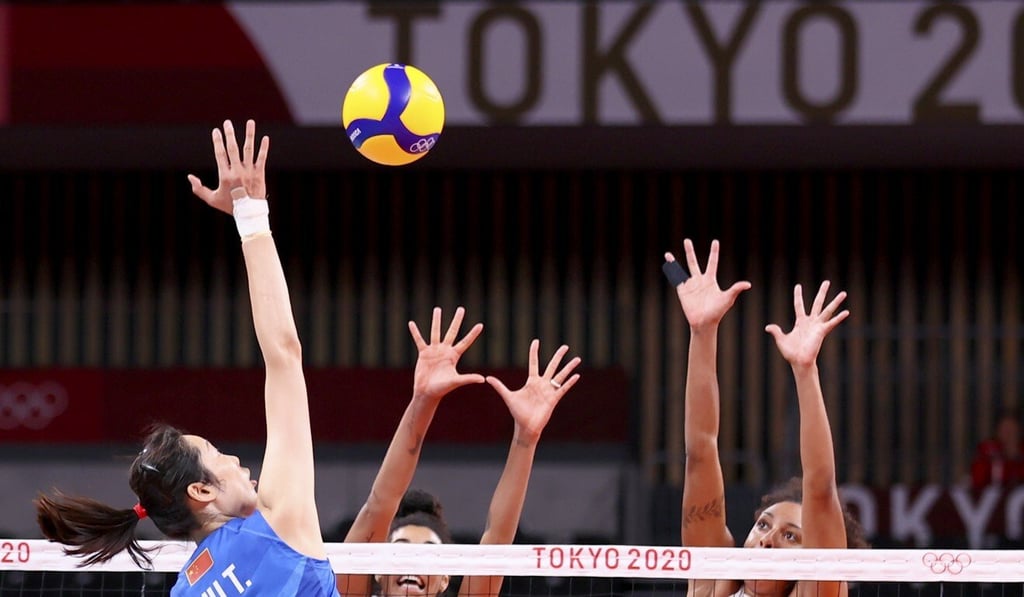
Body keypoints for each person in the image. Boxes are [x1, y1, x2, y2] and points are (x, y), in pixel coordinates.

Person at [35, 120, 340, 596]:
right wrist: (251, 214)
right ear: (201, 491)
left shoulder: (185, 590)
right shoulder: (277, 527)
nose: (236, 459)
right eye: (218, 456)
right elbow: (284, 354)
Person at [666, 239, 867, 597]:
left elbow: (820, 487)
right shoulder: (713, 584)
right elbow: (700, 451)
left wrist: (805, 371)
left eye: (791, 536)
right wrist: (702, 332)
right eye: (762, 525)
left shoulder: (817, 591)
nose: (768, 540)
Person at [337, 307, 580, 597]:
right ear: (377, 569)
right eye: (401, 550)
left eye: (428, 554)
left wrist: (525, 439)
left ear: (444, 579)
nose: (413, 562)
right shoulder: (350, 589)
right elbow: (380, 505)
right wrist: (423, 401)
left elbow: (497, 541)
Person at [970, 410, 1024, 491]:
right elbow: (978, 480)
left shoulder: (1021, 450)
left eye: (1012, 429)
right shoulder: (987, 449)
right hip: (990, 493)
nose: (1009, 434)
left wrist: (1015, 456)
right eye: (1005, 429)